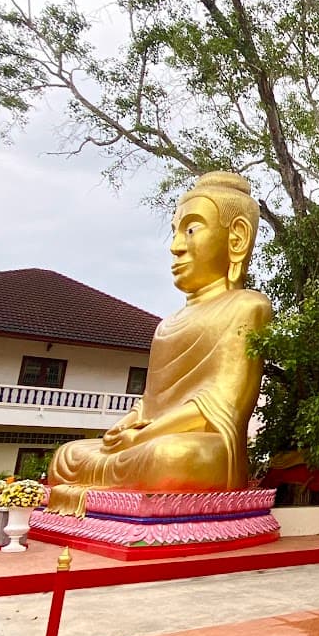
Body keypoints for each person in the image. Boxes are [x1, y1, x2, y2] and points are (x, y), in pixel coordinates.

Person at [46, 171, 272, 515]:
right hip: (148, 439)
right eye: (175, 232)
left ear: (237, 238)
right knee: (69, 456)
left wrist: (143, 438)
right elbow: (151, 403)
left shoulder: (247, 307)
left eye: (191, 229)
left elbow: (221, 405)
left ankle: (123, 482)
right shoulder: (168, 325)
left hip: (199, 445)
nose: (176, 245)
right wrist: (128, 426)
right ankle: (111, 489)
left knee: (170, 456)